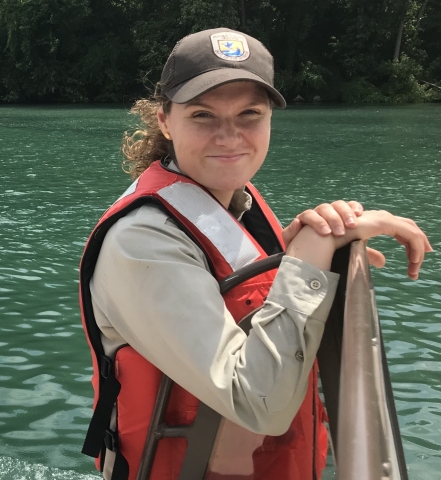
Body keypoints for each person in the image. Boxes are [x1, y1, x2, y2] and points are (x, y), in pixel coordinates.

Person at [79, 28, 432, 480]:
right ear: (165, 120)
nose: (230, 137)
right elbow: (258, 404)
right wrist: (308, 255)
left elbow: (244, 285)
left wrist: (328, 231)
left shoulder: (230, 200)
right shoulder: (141, 241)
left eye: (250, 114)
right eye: (203, 115)